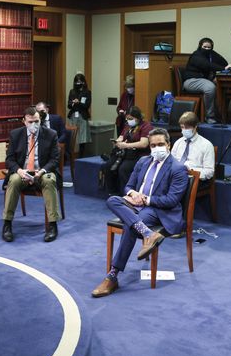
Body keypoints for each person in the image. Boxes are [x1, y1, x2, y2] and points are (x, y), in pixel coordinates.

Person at [91, 128, 189, 298]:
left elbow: (172, 200)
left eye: (160, 144)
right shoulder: (143, 161)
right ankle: (148, 234)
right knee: (113, 200)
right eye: (153, 145)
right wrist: (133, 194)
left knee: (131, 225)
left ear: (168, 145)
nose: (156, 148)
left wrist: (146, 200)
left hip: (157, 209)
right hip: (136, 204)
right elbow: (128, 186)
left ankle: (112, 276)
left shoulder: (178, 168)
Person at [2, 106, 61, 243]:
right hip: (23, 172)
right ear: (24, 121)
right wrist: (19, 170)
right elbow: (9, 160)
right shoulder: (15, 134)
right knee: (14, 180)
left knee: (49, 180)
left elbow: (55, 160)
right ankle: (7, 224)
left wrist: (42, 170)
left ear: (40, 120)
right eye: (30, 122)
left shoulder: (51, 134)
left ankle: (52, 225)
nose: (34, 125)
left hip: (43, 171)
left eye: (36, 121)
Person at [103, 106, 153, 195]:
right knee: (109, 165)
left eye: (131, 118)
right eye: (127, 118)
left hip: (139, 154)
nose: (128, 120)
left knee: (123, 169)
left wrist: (126, 145)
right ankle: (112, 192)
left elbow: (144, 143)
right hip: (125, 153)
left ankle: (126, 194)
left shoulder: (146, 126)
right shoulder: (128, 126)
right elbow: (122, 137)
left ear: (138, 118)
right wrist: (117, 141)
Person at [182, 37, 231, 124]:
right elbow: (206, 65)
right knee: (210, 87)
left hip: (204, 80)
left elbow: (223, 61)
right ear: (200, 46)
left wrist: (224, 68)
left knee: (226, 86)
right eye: (204, 47)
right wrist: (223, 68)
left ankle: (221, 115)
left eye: (209, 48)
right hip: (191, 81)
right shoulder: (196, 55)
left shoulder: (211, 54)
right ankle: (209, 117)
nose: (207, 49)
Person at [170, 111, 215, 181]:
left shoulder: (206, 145)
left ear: (195, 126)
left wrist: (192, 172)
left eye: (187, 127)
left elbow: (209, 171)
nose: (184, 130)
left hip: (193, 178)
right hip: (176, 176)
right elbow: (170, 162)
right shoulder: (178, 142)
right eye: (182, 127)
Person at [67, 73, 91, 155]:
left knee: (82, 136)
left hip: (83, 116)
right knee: (72, 136)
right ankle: (70, 154)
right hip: (73, 115)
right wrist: (73, 103)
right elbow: (69, 105)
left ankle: (81, 155)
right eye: (76, 82)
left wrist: (79, 102)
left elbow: (87, 105)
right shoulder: (72, 91)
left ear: (84, 82)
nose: (78, 83)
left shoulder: (87, 92)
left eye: (80, 81)